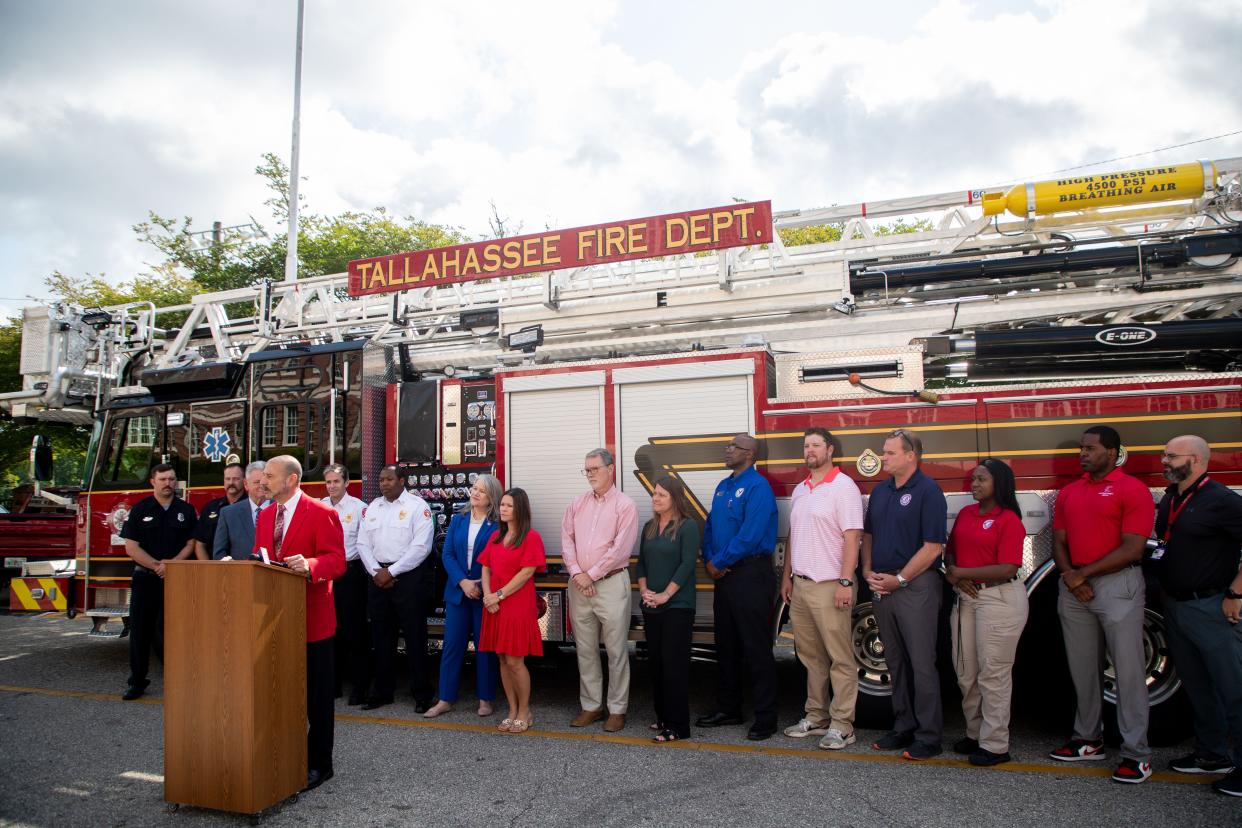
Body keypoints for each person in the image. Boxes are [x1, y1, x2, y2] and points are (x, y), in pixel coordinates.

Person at [1050, 425, 1155, 784]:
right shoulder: (1069, 492)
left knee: (1127, 673)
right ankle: (1088, 739)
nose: (1082, 454)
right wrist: (1070, 575)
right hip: (1075, 588)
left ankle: (1136, 755)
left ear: (1111, 452)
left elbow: (1133, 547)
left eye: (1090, 448)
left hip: (1117, 585)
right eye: (1080, 448)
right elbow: (1059, 540)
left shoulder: (1133, 489)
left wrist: (1084, 575)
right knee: (1083, 670)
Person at [1151, 435, 1242, 797]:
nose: (1164, 460)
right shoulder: (1173, 497)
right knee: (1198, 686)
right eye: (1165, 453)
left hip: (1210, 606)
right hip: (1176, 605)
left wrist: (1236, 592)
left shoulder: (1221, 501)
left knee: (1233, 688)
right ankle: (1211, 754)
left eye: (1171, 456)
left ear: (1198, 460)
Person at [253, 455, 346, 792]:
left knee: (318, 698)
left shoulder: (323, 513)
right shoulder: (265, 515)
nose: (263, 481)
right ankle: (287, 756)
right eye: (263, 476)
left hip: (313, 620)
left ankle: (321, 764)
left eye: (269, 476)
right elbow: (260, 557)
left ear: (291, 480)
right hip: (275, 620)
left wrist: (309, 565)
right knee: (282, 694)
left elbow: (336, 561)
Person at [862, 429, 948, 760]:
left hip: (916, 586)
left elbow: (932, 547)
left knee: (922, 663)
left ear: (911, 456)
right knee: (895, 661)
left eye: (890, 453)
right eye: (884, 452)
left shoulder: (928, 491)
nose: (883, 458)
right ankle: (904, 726)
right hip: (883, 585)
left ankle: (929, 735)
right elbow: (868, 535)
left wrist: (899, 578)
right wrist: (868, 569)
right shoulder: (881, 491)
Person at [781, 427, 864, 751]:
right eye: (806, 445)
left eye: (816, 445)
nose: (810, 450)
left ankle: (843, 725)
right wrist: (787, 577)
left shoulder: (843, 487)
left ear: (830, 450)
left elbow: (852, 537)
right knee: (811, 657)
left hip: (831, 584)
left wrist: (845, 581)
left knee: (840, 658)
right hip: (801, 586)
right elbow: (794, 536)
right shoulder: (801, 489)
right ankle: (816, 716)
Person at [944, 458, 1029, 766]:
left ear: (1000, 484)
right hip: (966, 597)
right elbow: (950, 548)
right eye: (973, 479)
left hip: (999, 598)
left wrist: (960, 572)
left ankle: (995, 745)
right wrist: (955, 572)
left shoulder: (1009, 520)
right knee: (966, 671)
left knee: (993, 673)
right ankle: (975, 732)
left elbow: (1008, 566)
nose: (974, 484)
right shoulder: (966, 514)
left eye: (982, 479)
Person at [696, 433, 780, 741]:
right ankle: (729, 708)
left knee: (755, 648)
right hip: (725, 575)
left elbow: (751, 534)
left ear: (750, 454)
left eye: (734, 447)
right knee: (726, 645)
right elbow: (711, 527)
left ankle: (766, 717)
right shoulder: (723, 486)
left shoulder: (758, 488)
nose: (727, 450)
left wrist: (720, 561)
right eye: (729, 446)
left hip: (750, 575)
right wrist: (710, 559)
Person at [561, 448, 639, 732]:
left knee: (617, 650)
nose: (590, 474)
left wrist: (591, 575)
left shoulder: (625, 505)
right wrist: (577, 573)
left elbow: (621, 549)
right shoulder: (576, 504)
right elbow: (567, 540)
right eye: (587, 469)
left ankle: (617, 710)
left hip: (610, 585)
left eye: (595, 468)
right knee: (585, 649)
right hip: (580, 586)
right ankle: (591, 706)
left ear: (611, 469)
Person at [356, 465, 436, 713]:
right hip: (377, 578)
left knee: (415, 638)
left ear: (402, 480)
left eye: (389, 479)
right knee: (381, 639)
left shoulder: (417, 507)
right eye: (381, 480)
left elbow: (421, 547)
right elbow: (362, 543)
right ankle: (382, 692)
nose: (384, 483)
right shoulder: (372, 509)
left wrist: (391, 572)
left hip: (408, 579)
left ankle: (422, 694)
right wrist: (376, 571)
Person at [424, 474, 502, 719]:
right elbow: (447, 555)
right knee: (451, 647)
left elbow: (498, 559)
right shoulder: (459, 520)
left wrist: (479, 583)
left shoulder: (498, 525)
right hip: (458, 593)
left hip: (483, 594)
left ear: (492, 497)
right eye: (474, 488)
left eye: (482, 491)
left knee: (485, 648)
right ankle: (445, 698)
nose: (475, 493)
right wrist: (464, 581)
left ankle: (485, 698)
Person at [120, 463, 197, 700]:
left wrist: (171, 565)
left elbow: (192, 543)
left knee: (180, 632)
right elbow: (131, 547)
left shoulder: (185, 509)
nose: (168, 484)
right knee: (140, 631)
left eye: (172, 479)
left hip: (177, 579)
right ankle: (137, 681)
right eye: (163, 479)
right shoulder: (140, 510)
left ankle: (183, 681)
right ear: (152, 481)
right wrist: (157, 566)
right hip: (146, 579)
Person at [637, 476, 700, 743]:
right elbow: (641, 565)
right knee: (657, 664)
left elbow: (687, 565)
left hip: (678, 606)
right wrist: (645, 593)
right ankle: (663, 717)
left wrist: (665, 595)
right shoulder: (649, 527)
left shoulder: (688, 527)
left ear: (675, 497)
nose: (656, 498)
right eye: (654, 494)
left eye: (661, 494)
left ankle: (678, 726)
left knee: (674, 666)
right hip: (652, 605)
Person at [479, 488, 546, 734]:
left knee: (516, 660)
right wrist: (488, 596)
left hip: (516, 604)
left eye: (508, 505)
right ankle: (511, 709)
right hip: (494, 604)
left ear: (520, 509)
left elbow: (526, 572)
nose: (503, 509)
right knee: (502, 659)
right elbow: (485, 568)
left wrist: (498, 595)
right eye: (502, 505)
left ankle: (524, 711)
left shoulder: (531, 537)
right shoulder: (496, 536)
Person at [321, 463, 371, 706]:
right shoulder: (318, 506)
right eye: (328, 482)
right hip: (325, 576)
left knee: (355, 632)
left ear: (347, 483)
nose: (332, 486)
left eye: (336, 482)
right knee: (331, 632)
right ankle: (333, 685)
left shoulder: (360, 509)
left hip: (351, 575)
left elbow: (365, 545)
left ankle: (360, 687)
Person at [212, 461, 269, 560]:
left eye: (265, 481)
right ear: (246, 484)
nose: (262, 485)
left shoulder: (281, 509)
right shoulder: (228, 513)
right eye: (257, 482)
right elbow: (219, 554)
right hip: (239, 574)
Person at [194, 462, 244, 560]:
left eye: (236, 479)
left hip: (244, 566)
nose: (231, 483)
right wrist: (208, 569)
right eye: (227, 479)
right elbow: (199, 544)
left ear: (244, 481)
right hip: (215, 568)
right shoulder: (211, 508)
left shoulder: (252, 507)